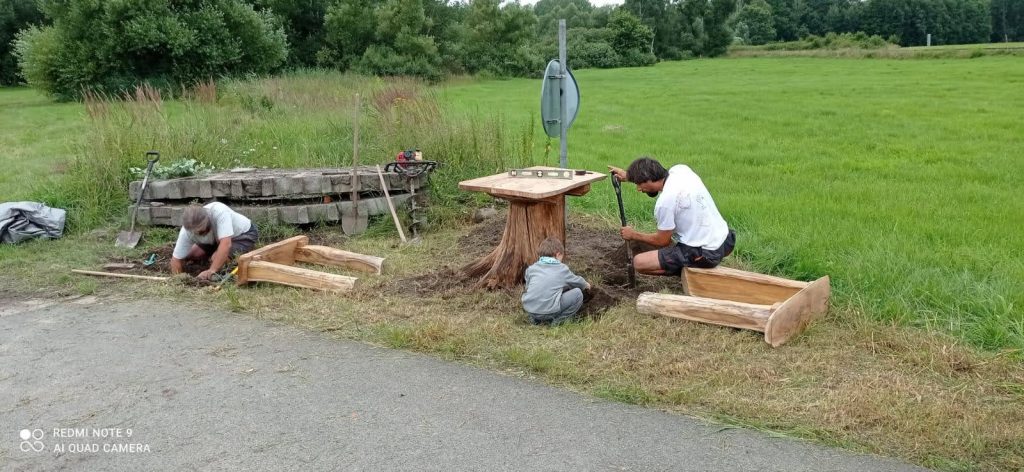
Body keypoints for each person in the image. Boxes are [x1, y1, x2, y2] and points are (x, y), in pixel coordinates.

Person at [607, 157, 735, 276]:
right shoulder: (680, 170)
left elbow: (662, 241)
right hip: (725, 241)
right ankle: (688, 263)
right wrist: (629, 176)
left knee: (639, 262)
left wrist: (633, 235)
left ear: (649, 179)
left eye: (639, 184)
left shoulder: (665, 203)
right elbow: (651, 176)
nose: (639, 189)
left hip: (705, 253)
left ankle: (684, 269)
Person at [170, 202, 259, 281]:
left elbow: (226, 244)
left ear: (207, 219)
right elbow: (176, 259)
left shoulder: (219, 212)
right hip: (215, 239)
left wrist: (211, 270)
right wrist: (179, 279)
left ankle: (219, 261)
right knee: (191, 254)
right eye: (198, 233)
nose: (201, 234)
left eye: (203, 231)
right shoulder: (186, 231)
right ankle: (214, 253)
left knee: (215, 258)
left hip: (242, 235)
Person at [521, 237, 591, 326]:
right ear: (558, 254)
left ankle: (535, 320)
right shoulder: (561, 269)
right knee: (577, 293)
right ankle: (557, 322)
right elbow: (577, 282)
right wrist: (586, 284)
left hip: (531, 310)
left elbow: (529, 288)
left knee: (535, 293)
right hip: (549, 311)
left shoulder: (531, 269)